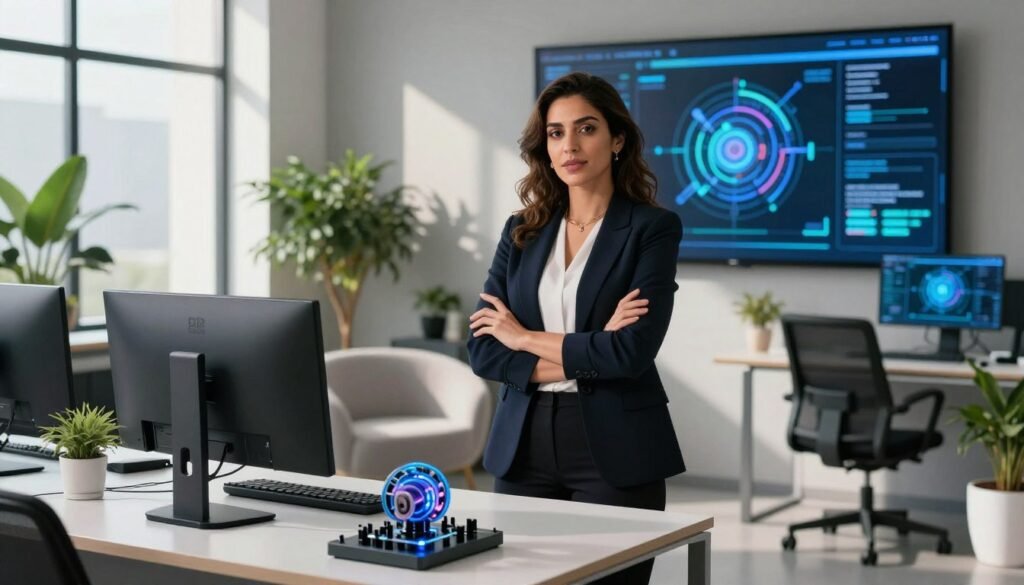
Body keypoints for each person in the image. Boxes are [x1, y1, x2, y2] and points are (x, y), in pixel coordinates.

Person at [467, 72, 686, 585]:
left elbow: (630, 353)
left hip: (615, 448)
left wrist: (522, 338)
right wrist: (592, 347)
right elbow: (483, 351)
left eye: (586, 128)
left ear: (617, 139)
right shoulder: (521, 231)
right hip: (523, 448)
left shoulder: (652, 229)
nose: (569, 145)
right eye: (556, 132)